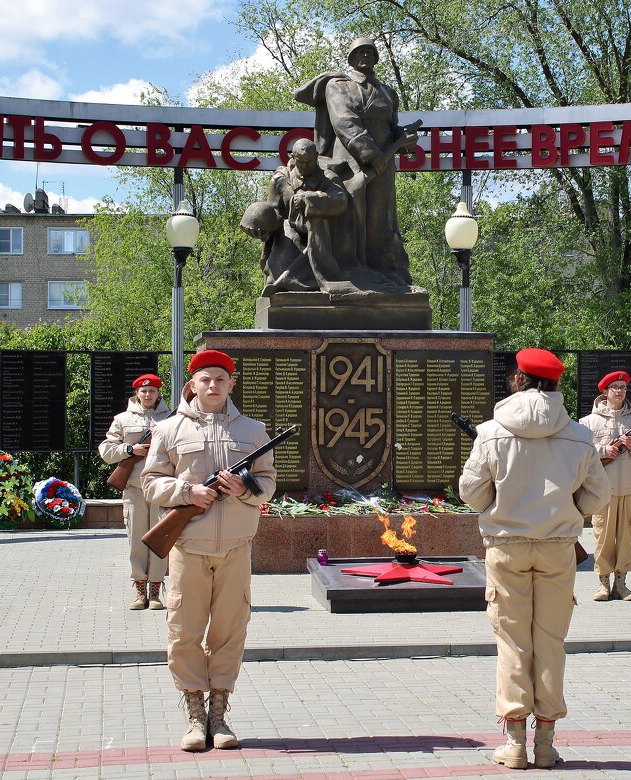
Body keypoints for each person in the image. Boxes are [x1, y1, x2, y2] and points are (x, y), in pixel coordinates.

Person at [459, 348, 610, 770]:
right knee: (550, 642)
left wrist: (502, 503)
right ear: (556, 383)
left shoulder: (491, 432)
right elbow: (597, 496)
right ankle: (545, 742)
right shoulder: (580, 435)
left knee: (512, 641)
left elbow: (471, 493)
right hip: (558, 548)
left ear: (518, 379)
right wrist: (566, 508)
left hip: (506, 547)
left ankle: (514, 744)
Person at [142, 349, 277, 752]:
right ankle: (195, 714)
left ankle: (219, 714)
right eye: (206, 379)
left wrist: (246, 489)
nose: (213, 386)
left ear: (231, 384)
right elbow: (150, 482)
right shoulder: (168, 430)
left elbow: (268, 482)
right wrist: (188, 492)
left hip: (236, 548)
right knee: (184, 633)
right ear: (193, 384)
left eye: (220, 379)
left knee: (229, 633)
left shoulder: (254, 430)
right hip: (188, 546)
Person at [295, 37, 420, 290]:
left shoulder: (388, 92)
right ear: (350, 57)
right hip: (350, 159)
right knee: (351, 213)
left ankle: (386, 273)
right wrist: (373, 156)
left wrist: (402, 139)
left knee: (381, 218)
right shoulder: (337, 86)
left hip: (384, 161)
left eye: (370, 52)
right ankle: (351, 272)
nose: (365, 56)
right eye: (359, 52)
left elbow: (390, 125)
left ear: (376, 58)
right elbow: (344, 122)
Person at [242, 138, 354, 296]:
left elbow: (340, 200)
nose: (305, 166)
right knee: (278, 266)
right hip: (290, 228)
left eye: (309, 162)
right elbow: (276, 211)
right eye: (301, 162)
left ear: (316, 157)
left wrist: (309, 199)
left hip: (321, 234)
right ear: (293, 158)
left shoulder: (327, 177)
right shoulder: (281, 179)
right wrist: (262, 226)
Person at [578, 370, 631, 602]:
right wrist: (604, 450)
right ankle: (603, 584)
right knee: (602, 537)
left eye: (623, 387)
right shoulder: (588, 423)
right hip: (603, 489)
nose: (620, 391)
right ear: (605, 391)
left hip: (630, 487)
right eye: (615, 387)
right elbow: (581, 455)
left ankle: (621, 584)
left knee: (624, 537)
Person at [98, 373, 172, 610]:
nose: (148, 394)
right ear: (137, 393)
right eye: (144, 391)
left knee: (160, 541)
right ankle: (141, 593)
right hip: (134, 489)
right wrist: (130, 449)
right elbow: (106, 450)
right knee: (137, 542)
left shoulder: (172, 418)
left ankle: (156, 594)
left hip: (161, 489)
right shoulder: (121, 419)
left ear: (158, 393)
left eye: (152, 391)